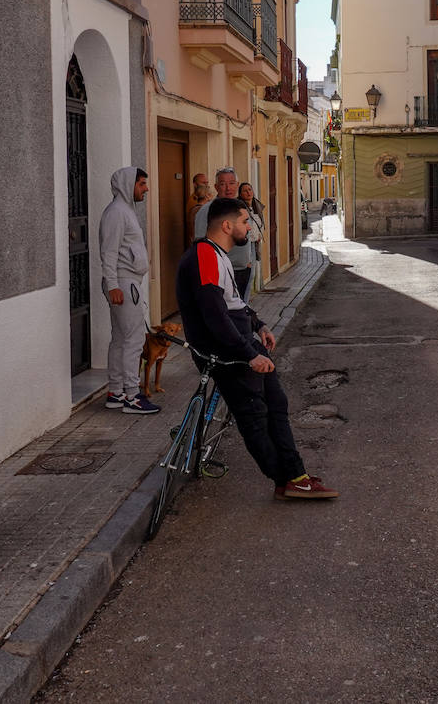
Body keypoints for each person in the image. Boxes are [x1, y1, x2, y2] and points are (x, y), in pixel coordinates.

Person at [176, 197, 338, 500]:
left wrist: (259, 324)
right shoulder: (204, 256)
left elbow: (234, 304)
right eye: (244, 222)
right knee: (254, 417)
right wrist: (249, 355)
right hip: (226, 354)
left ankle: (296, 474)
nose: (249, 228)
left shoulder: (217, 254)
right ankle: (285, 480)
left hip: (241, 345)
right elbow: (214, 315)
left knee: (276, 405)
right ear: (227, 225)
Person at [98, 166, 161, 414]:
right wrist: (113, 285)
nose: (146, 189)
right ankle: (132, 397)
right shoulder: (117, 213)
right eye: (142, 184)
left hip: (126, 282)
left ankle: (116, 392)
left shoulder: (125, 211)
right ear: (128, 184)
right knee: (134, 340)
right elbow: (109, 251)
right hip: (124, 284)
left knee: (120, 339)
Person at [194, 167, 253, 298]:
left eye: (232, 183)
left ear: (237, 185)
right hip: (222, 273)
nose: (228, 188)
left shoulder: (240, 207)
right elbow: (200, 242)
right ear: (216, 187)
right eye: (222, 184)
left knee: (240, 312)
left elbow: (248, 234)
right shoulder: (207, 211)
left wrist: (248, 261)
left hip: (243, 271)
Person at [238, 181, 265, 298]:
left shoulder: (256, 206)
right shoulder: (240, 208)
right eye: (245, 190)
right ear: (240, 194)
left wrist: (259, 236)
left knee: (251, 276)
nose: (248, 192)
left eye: (250, 189)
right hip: (244, 246)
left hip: (253, 245)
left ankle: (245, 304)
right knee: (247, 276)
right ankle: (243, 305)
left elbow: (259, 224)